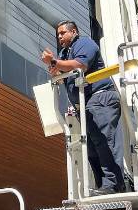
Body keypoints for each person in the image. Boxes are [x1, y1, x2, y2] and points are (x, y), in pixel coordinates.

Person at [41, 21, 125, 195]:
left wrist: (55, 62)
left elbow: (80, 65)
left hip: (100, 98)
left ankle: (114, 184)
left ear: (74, 32)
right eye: (58, 34)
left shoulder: (85, 43)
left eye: (62, 33)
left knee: (104, 141)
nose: (59, 37)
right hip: (87, 104)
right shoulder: (65, 53)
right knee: (92, 147)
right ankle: (104, 185)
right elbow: (60, 72)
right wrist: (53, 65)